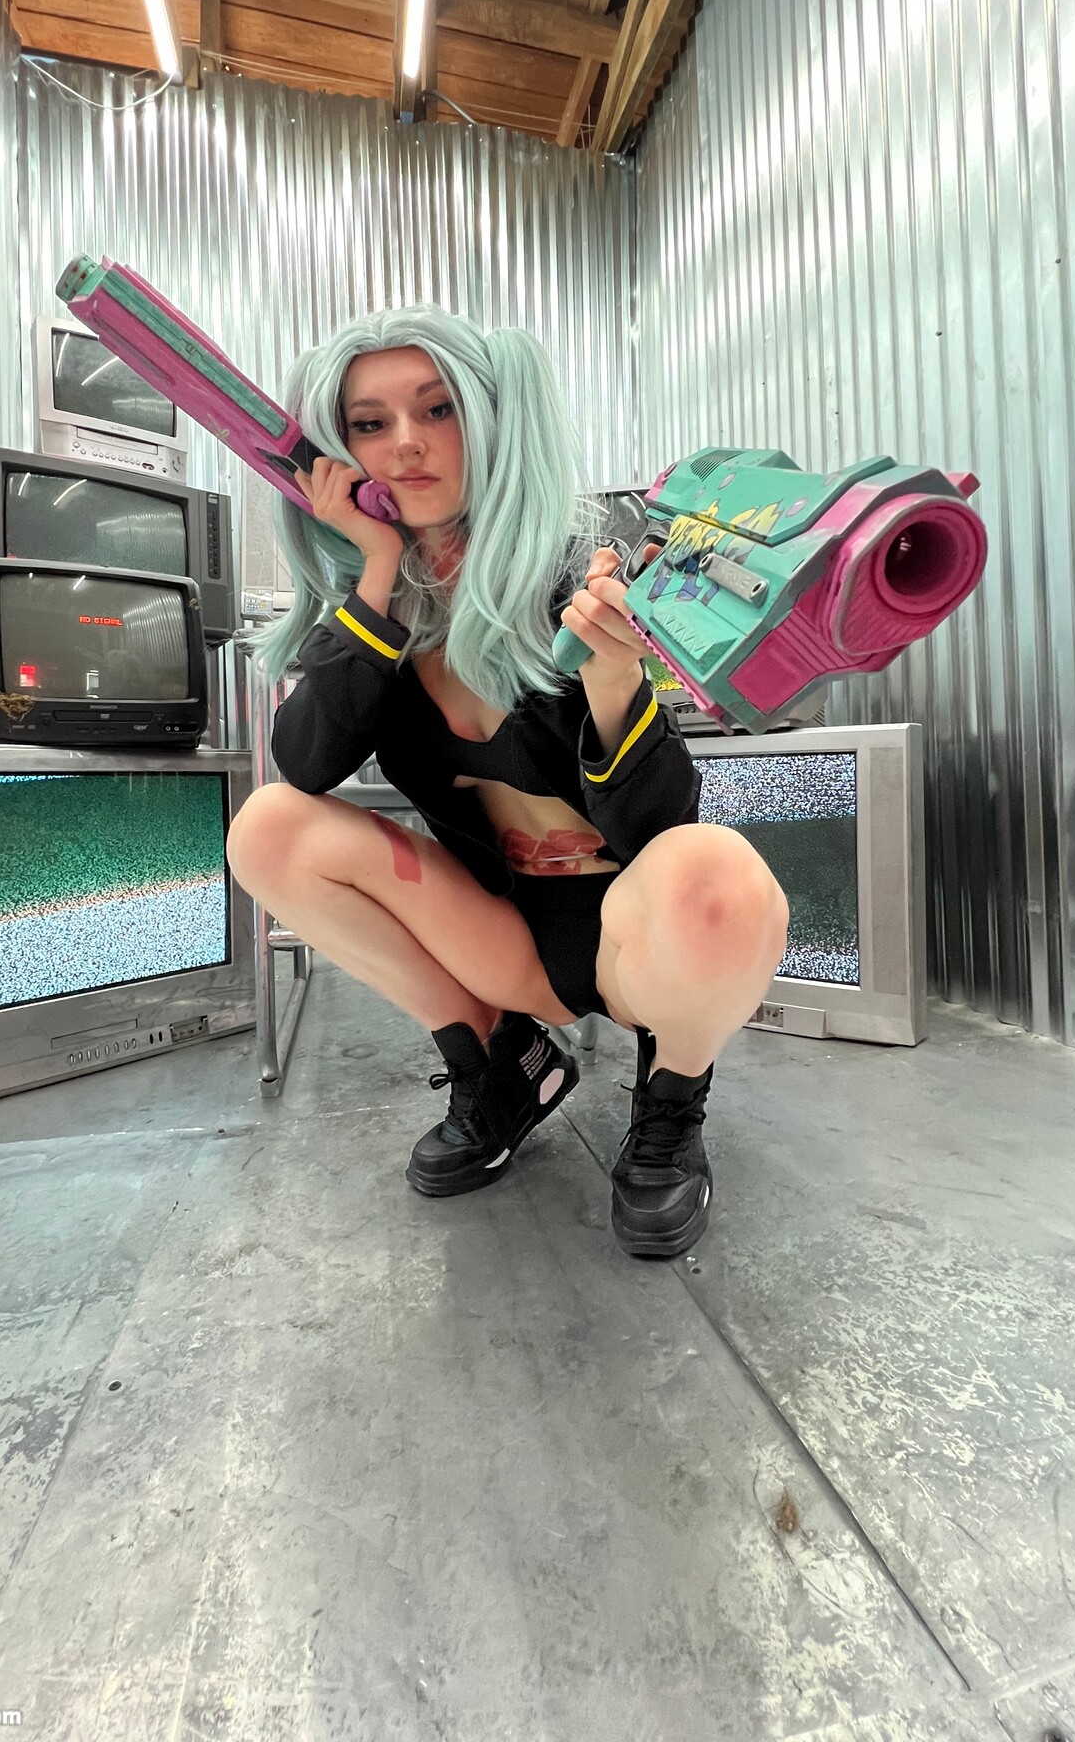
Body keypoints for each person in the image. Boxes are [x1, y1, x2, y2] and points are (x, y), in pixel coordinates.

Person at [225, 306, 788, 1258]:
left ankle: (672, 1099)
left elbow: (660, 826)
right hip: (503, 938)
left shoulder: (579, 579)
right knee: (269, 828)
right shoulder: (377, 618)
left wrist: (615, 680)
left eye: (437, 409)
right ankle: (502, 1063)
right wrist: (376, 571)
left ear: (488, 419)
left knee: (715, 872)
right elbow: (306, 763)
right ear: (341, 453)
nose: (406, 443)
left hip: (634, 942)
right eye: (370, 423)